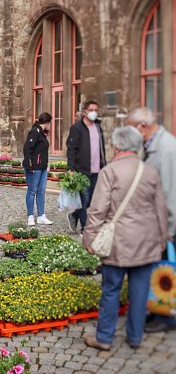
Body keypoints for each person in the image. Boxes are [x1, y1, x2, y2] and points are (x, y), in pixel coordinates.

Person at [83, 126, 167, 350]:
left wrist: (89, 240)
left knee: (111, 290)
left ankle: (104, 338)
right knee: (139, 292)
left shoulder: (109, 172)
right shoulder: (149, 171)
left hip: (118, 243)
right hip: (146, 242)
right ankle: (135, 337)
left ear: (117, 146)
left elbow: (97, 211)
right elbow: (160, 209)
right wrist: (161, 239)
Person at [128, 106, 176, 333]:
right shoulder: (153, 146)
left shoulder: (166, 149)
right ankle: (159, 309)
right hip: (157, 223)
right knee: (160, 269)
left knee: (167, 269)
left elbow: (170, 194)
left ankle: (167, 317)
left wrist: (168, 230)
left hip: (166, 226)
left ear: (142, 126)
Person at [66, 100, 106, 234]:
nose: (94, 112)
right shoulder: (77, 128)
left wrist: (104, 164)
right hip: (82, 170)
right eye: (91, 110)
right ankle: (85, 228)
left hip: (96, 170)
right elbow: (71, 149)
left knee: (91, 200)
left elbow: (101, 148)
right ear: (85, 112)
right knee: (84, 199)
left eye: (96, 110)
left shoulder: (98, 127)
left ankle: (74, 215)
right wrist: (71, 169)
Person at [22, 112, 53, 226]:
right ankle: (30, 216)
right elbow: (27, 149)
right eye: (50, 123)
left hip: (42, 167)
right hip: (34, 168)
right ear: (47, 122)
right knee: (32, 191)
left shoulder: (42, 133)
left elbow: (41, 151)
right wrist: (30, 166)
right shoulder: (35, 132)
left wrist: (46, 165)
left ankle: (41, 215)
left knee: (41, 192)